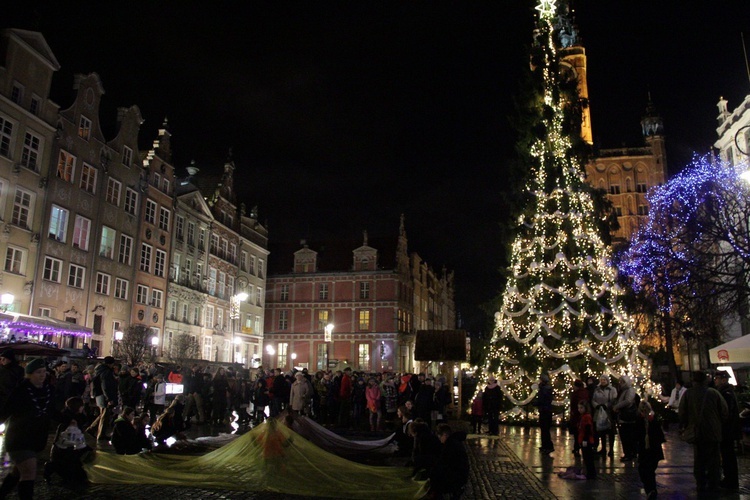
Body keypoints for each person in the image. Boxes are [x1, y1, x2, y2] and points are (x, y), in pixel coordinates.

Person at [0, 358, 53, 499]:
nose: (42, 375)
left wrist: (70, 418)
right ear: (29, 374)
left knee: (17, 472)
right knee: (29, 473)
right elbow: (6, 410)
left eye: (44, 372)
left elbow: (52, 410)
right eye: (38, 372)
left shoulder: (47, 390)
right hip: (19, 438)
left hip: (36, 439)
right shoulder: (21, 390)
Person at [678, 370, 728, 492]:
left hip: (697, 432)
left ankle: (701, 482)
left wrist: (684, 426)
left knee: (699, 458)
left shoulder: (688, 394)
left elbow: (682, 413)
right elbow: (724, 412)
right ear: (706, 380)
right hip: (713, 432)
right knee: (714, 459)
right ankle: (713, 482)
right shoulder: (714, 393)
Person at [43, 396, 92, 486]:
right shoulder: (71, 421)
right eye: (82, 406)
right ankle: (52, 467)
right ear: (78, 407)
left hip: (67, 450)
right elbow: (70, 442)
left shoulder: (72, 418)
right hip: (64, 452)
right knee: (76, 476)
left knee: (79, 476)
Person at [713, 371, 740, 490]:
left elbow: (726, 412)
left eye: (717, 378)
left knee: (728, 455)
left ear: (723, 380)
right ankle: (729, 479)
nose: (715, 380)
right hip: (728, 429)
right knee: (727, 455)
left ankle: (731, 480)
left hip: (727, 430)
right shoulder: (725, 392)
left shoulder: (726, 393)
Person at [429, 423, 469, 499]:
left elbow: (443, 463)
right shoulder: (453, 443)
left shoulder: (450, 446)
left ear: (444, 435)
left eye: (439, 436)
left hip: (456, 477)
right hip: (459, 475)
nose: (439, 439)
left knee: (436, 482)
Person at [635, 400, 665, 500]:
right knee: (650, 471)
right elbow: (661, 437)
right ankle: (652, 490)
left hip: (645, 452)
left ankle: (650, 490)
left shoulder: (639, 421)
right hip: (654, 452)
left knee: (644, 471)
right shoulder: (655, 420)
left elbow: (635, 437)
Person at [85, 356, 118, 442]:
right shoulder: (106, 372)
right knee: (105, 415)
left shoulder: (99, 370)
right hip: (103, 396)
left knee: (102, 414)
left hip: (99, 394)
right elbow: (105, 386)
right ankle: (101, 434)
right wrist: (109, 398)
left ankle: (92, 429)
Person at [612, 375, 638, 462]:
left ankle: (630, 453)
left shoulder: (629, 390)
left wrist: (617, 406)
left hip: (628, 417)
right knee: (625, 436)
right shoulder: (623, 390)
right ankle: (629, 453)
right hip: (623, 416)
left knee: (628, 436)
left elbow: (628, 401)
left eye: (622, 382)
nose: (620, 383)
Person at [592, 374, 617, 457]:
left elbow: (614, 399)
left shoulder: (612, 389)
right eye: (601, 380)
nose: (603, 381)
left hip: (608, 412)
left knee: (610, 432)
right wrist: (597, 405)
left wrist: (607, 405)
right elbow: (593, 399)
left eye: (604, 380)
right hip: (599, 412)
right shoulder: (597, 390)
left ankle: (611, 449)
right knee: (601, 431)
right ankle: (603, 449)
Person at [534, 373, 554, 453]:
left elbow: (543, 400)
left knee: (545, 429)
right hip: (545, 410)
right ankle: (545, 446)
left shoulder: (544, 389)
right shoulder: (546, 389)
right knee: (544, 429)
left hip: (545, 410)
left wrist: (536, 403)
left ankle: (547, 446)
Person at [569, 379, 589, 456]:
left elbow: (574, 404)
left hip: (576, 415)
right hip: (583, 413)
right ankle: (580, 447)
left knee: (577, 432)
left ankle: (577, 447)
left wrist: (574, 412)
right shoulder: (585, 392)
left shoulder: (576, 393)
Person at [576, 400, 596, 479]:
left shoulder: (586, 417)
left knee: (588, 458)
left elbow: (588, 429)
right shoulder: (583, 416)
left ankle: (591, 473)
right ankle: (589, 472)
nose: (579, 410)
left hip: (586, 440)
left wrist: (585, 440)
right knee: (586, 457)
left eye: (581, 408)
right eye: (579, 408)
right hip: (583, 439)